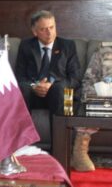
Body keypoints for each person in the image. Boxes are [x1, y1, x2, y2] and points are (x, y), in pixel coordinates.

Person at [15, 10, 81, 144]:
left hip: (60, 95)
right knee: (23, 88)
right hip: (34, 94)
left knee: (60, 88)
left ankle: (59, 147)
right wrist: (34, 86)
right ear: (35, 32)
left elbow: (75, 78)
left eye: (52, 27)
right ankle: (24, 145)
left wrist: (53, 85)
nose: (49, 32)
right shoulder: (26, 46)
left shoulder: (67, 46)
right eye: (44, 29)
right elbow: (19, 76)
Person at [76, 43, 112, 171]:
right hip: (105, 100)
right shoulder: (104, 50)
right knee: (89, 103)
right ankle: (79, 153)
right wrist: (100, 94)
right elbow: (88, 81)